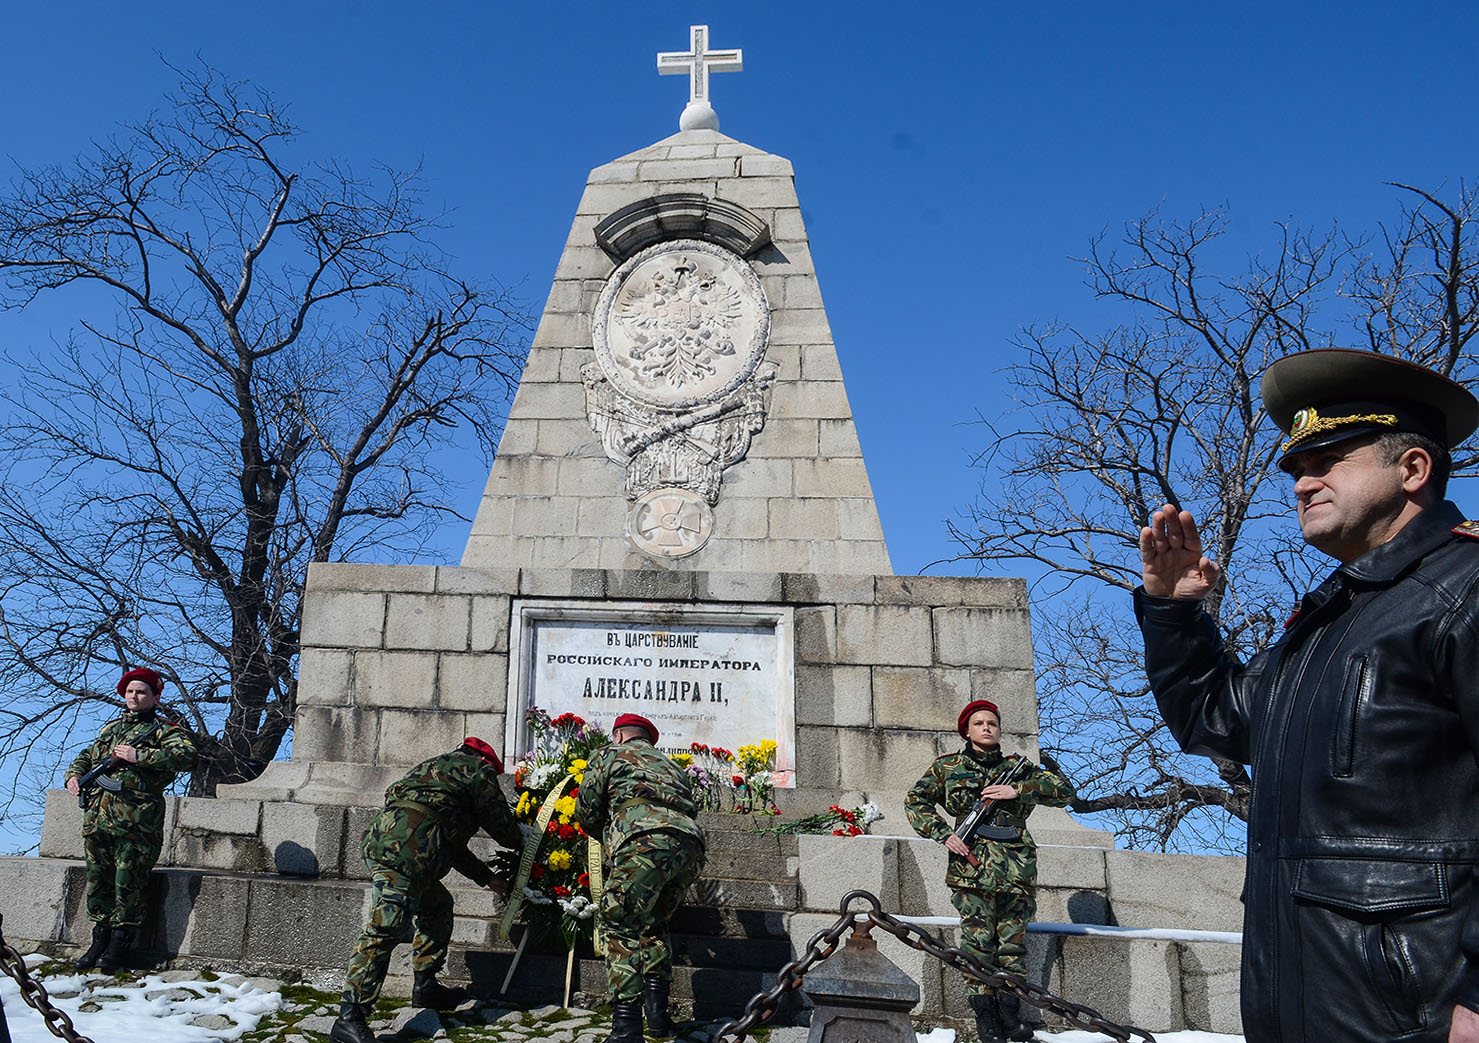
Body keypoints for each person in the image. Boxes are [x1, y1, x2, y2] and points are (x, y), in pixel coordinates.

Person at [1135, 348, 1479, 1043]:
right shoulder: (1326, 621)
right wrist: (1173, 613)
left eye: (1329, 460)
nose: (1300, 483)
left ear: (1411, 469)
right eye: (1295, 467)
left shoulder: (1465, 590)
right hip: (1305, 1009)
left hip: (1426, 1021)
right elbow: (1216, 716)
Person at [905, 699, 1074, 1043]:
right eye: (979, 723)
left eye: (992, 723)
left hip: (1015, 870)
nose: (986, 728)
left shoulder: (1020, 769)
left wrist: (1019, 790)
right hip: (972, 869)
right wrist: (943, 834)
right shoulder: (948, 767)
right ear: (966, 731)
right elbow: (915, 801)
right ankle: (987, 1021)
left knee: (1012, 947)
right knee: (978, 945)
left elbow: (1064, 791)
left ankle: (1010, 1017)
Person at [330, 737, 520, 1043]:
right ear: (486, 762)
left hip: (403, 846)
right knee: (385, 928)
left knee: (437, 906)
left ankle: (425, 987)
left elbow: (447, 839)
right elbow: (500, 824)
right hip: (405, 851)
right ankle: (350, 1017)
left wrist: (487, 878)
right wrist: (526, 841)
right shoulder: (477, 771)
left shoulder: (431, 768)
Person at [574, 713, 706, 1043]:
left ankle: (626, 1028)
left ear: (619, 736)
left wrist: (606, 835)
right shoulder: (673, 765)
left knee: (618, 922)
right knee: (654, 925)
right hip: (689, 846)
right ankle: (659, 1020)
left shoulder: (608, 754)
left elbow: (587, 811)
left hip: (642, 841)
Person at [64, 666, 196, 974]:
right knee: (99, 881)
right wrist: (74, 776)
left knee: (129, 883)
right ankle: (100, 939)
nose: (134, 697)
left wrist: (142, 757)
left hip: (137, 822)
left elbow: (187, 757)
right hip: (98, 818)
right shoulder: (111, 730)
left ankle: (120, 944)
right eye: (130, 691)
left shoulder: (165, 731)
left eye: (141, 692)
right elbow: (87, 756)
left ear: (155, 697)